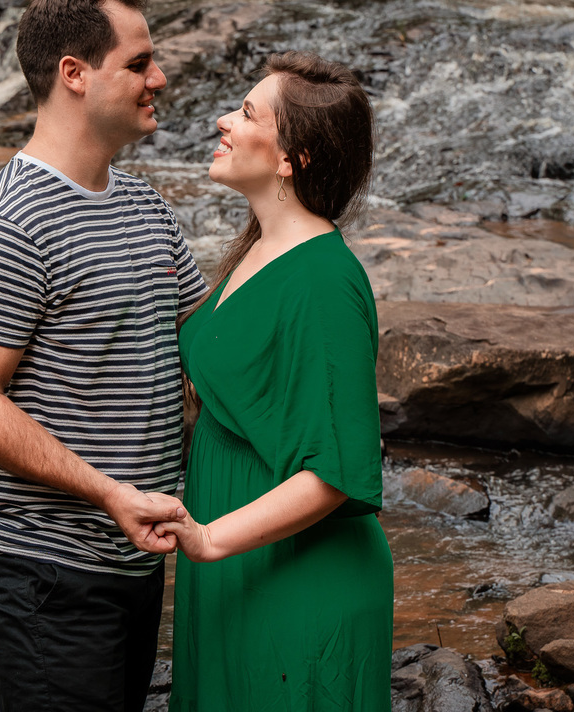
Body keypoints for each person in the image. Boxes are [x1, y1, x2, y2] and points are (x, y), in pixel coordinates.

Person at [0, 0, 206, 712]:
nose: (160, 78)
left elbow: (210, 342)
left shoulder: (143, 205)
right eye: (140, 62)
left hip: (132, 554)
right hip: (42, 568)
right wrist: (110, 492)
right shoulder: (7, 226)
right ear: (75, 75)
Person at [154, 52, 394, 712]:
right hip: (242, 572)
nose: (224, 120)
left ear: (294, 159)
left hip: (298, 584)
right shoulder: (257, 247)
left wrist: (209, 540)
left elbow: (337, 471)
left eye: (248, 112)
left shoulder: (325, 283)